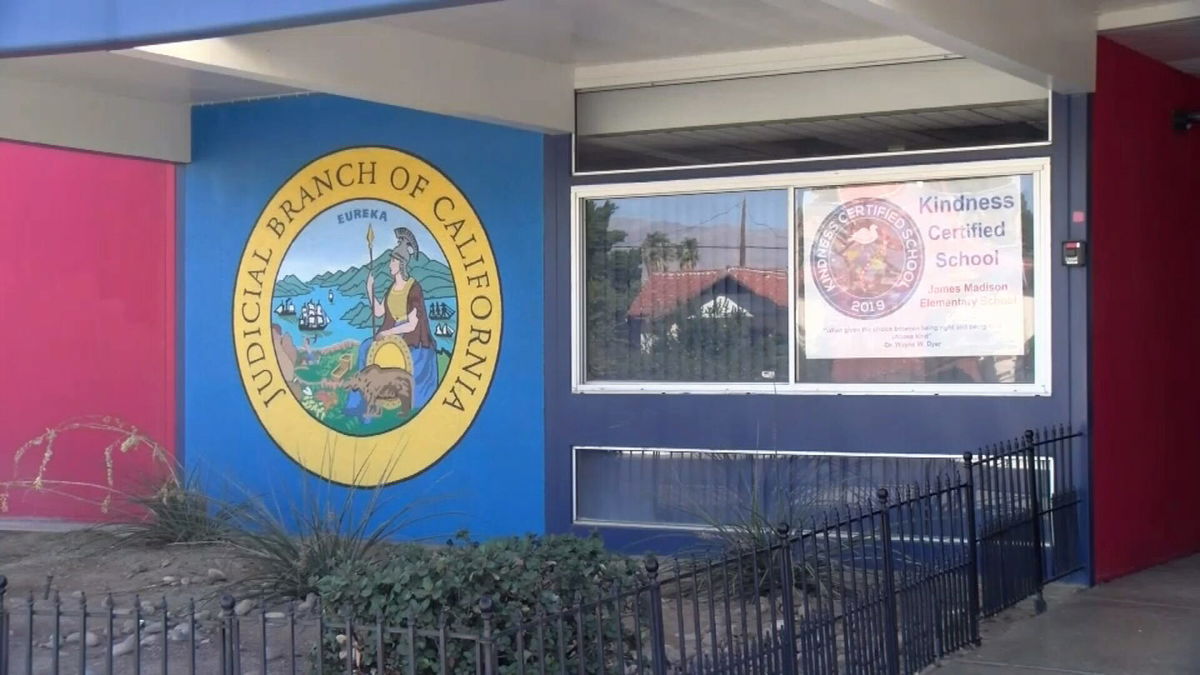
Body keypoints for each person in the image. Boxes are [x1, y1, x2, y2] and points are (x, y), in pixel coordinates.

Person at [347, 227, 438, 418]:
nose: (390, 265)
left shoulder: (414, 288)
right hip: (391, 331)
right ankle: (359, 402)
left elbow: (412, 324)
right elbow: (379, 312)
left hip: (410, 336)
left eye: (393, 261)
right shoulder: (391, 287)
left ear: (401, 264)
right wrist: (370, 290)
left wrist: (387, 333)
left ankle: (410, 403)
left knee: (413, 358)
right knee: (365, 347)